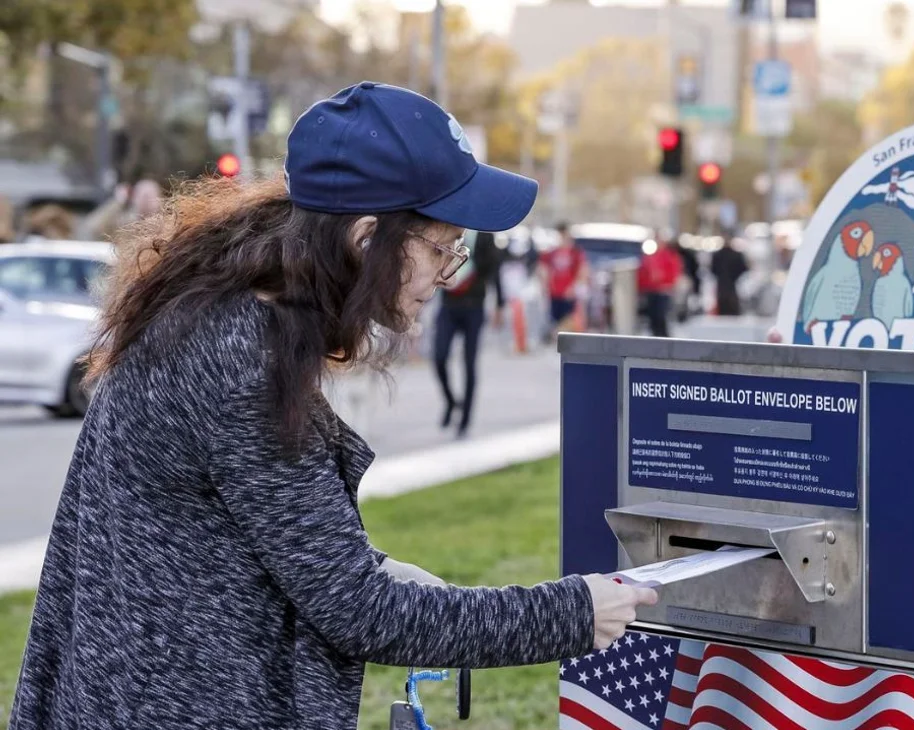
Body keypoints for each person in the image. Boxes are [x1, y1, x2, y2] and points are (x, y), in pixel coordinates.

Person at [7, 82, 656, 730]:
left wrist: (372, 564)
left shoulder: (221, 318)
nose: (447, 274)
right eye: (439, 248)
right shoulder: (239, 357)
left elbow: (251, 539)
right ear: (367, 237)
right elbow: (359, 612)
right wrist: (573, 613)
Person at [433, 229, 504, 438]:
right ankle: (451, 401)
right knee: (439, 357)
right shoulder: (450, 228)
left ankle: (465, 419)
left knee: (469, 363)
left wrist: (500, 304)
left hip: (474, 306)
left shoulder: (485, 234)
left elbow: (495, 269)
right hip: (449, 305)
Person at [539, 221, 587, 340]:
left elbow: (582, 270)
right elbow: (543, 269)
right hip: (554, 291)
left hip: (568, 292)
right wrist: (545, 285)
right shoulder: (551, 253)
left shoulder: (575, 253)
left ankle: (559, 336)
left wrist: (574, 287)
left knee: (568, 318)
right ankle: (555, 335)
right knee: (555, 317)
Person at [638, 231, 683, 337]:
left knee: (661, 317)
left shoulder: (669, 255)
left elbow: (674, 272)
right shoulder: (649, 256)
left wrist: (666, 281)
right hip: (650, 291)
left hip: (663, 291)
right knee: (653, 318)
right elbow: (642, 273)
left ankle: (663, 337)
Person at [710, 234, 749, 316]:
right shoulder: (735, 255)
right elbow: (744, 268)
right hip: (730, 283)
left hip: (724, 283)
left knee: (724, 298)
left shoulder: (717, 255)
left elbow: (712, 269)